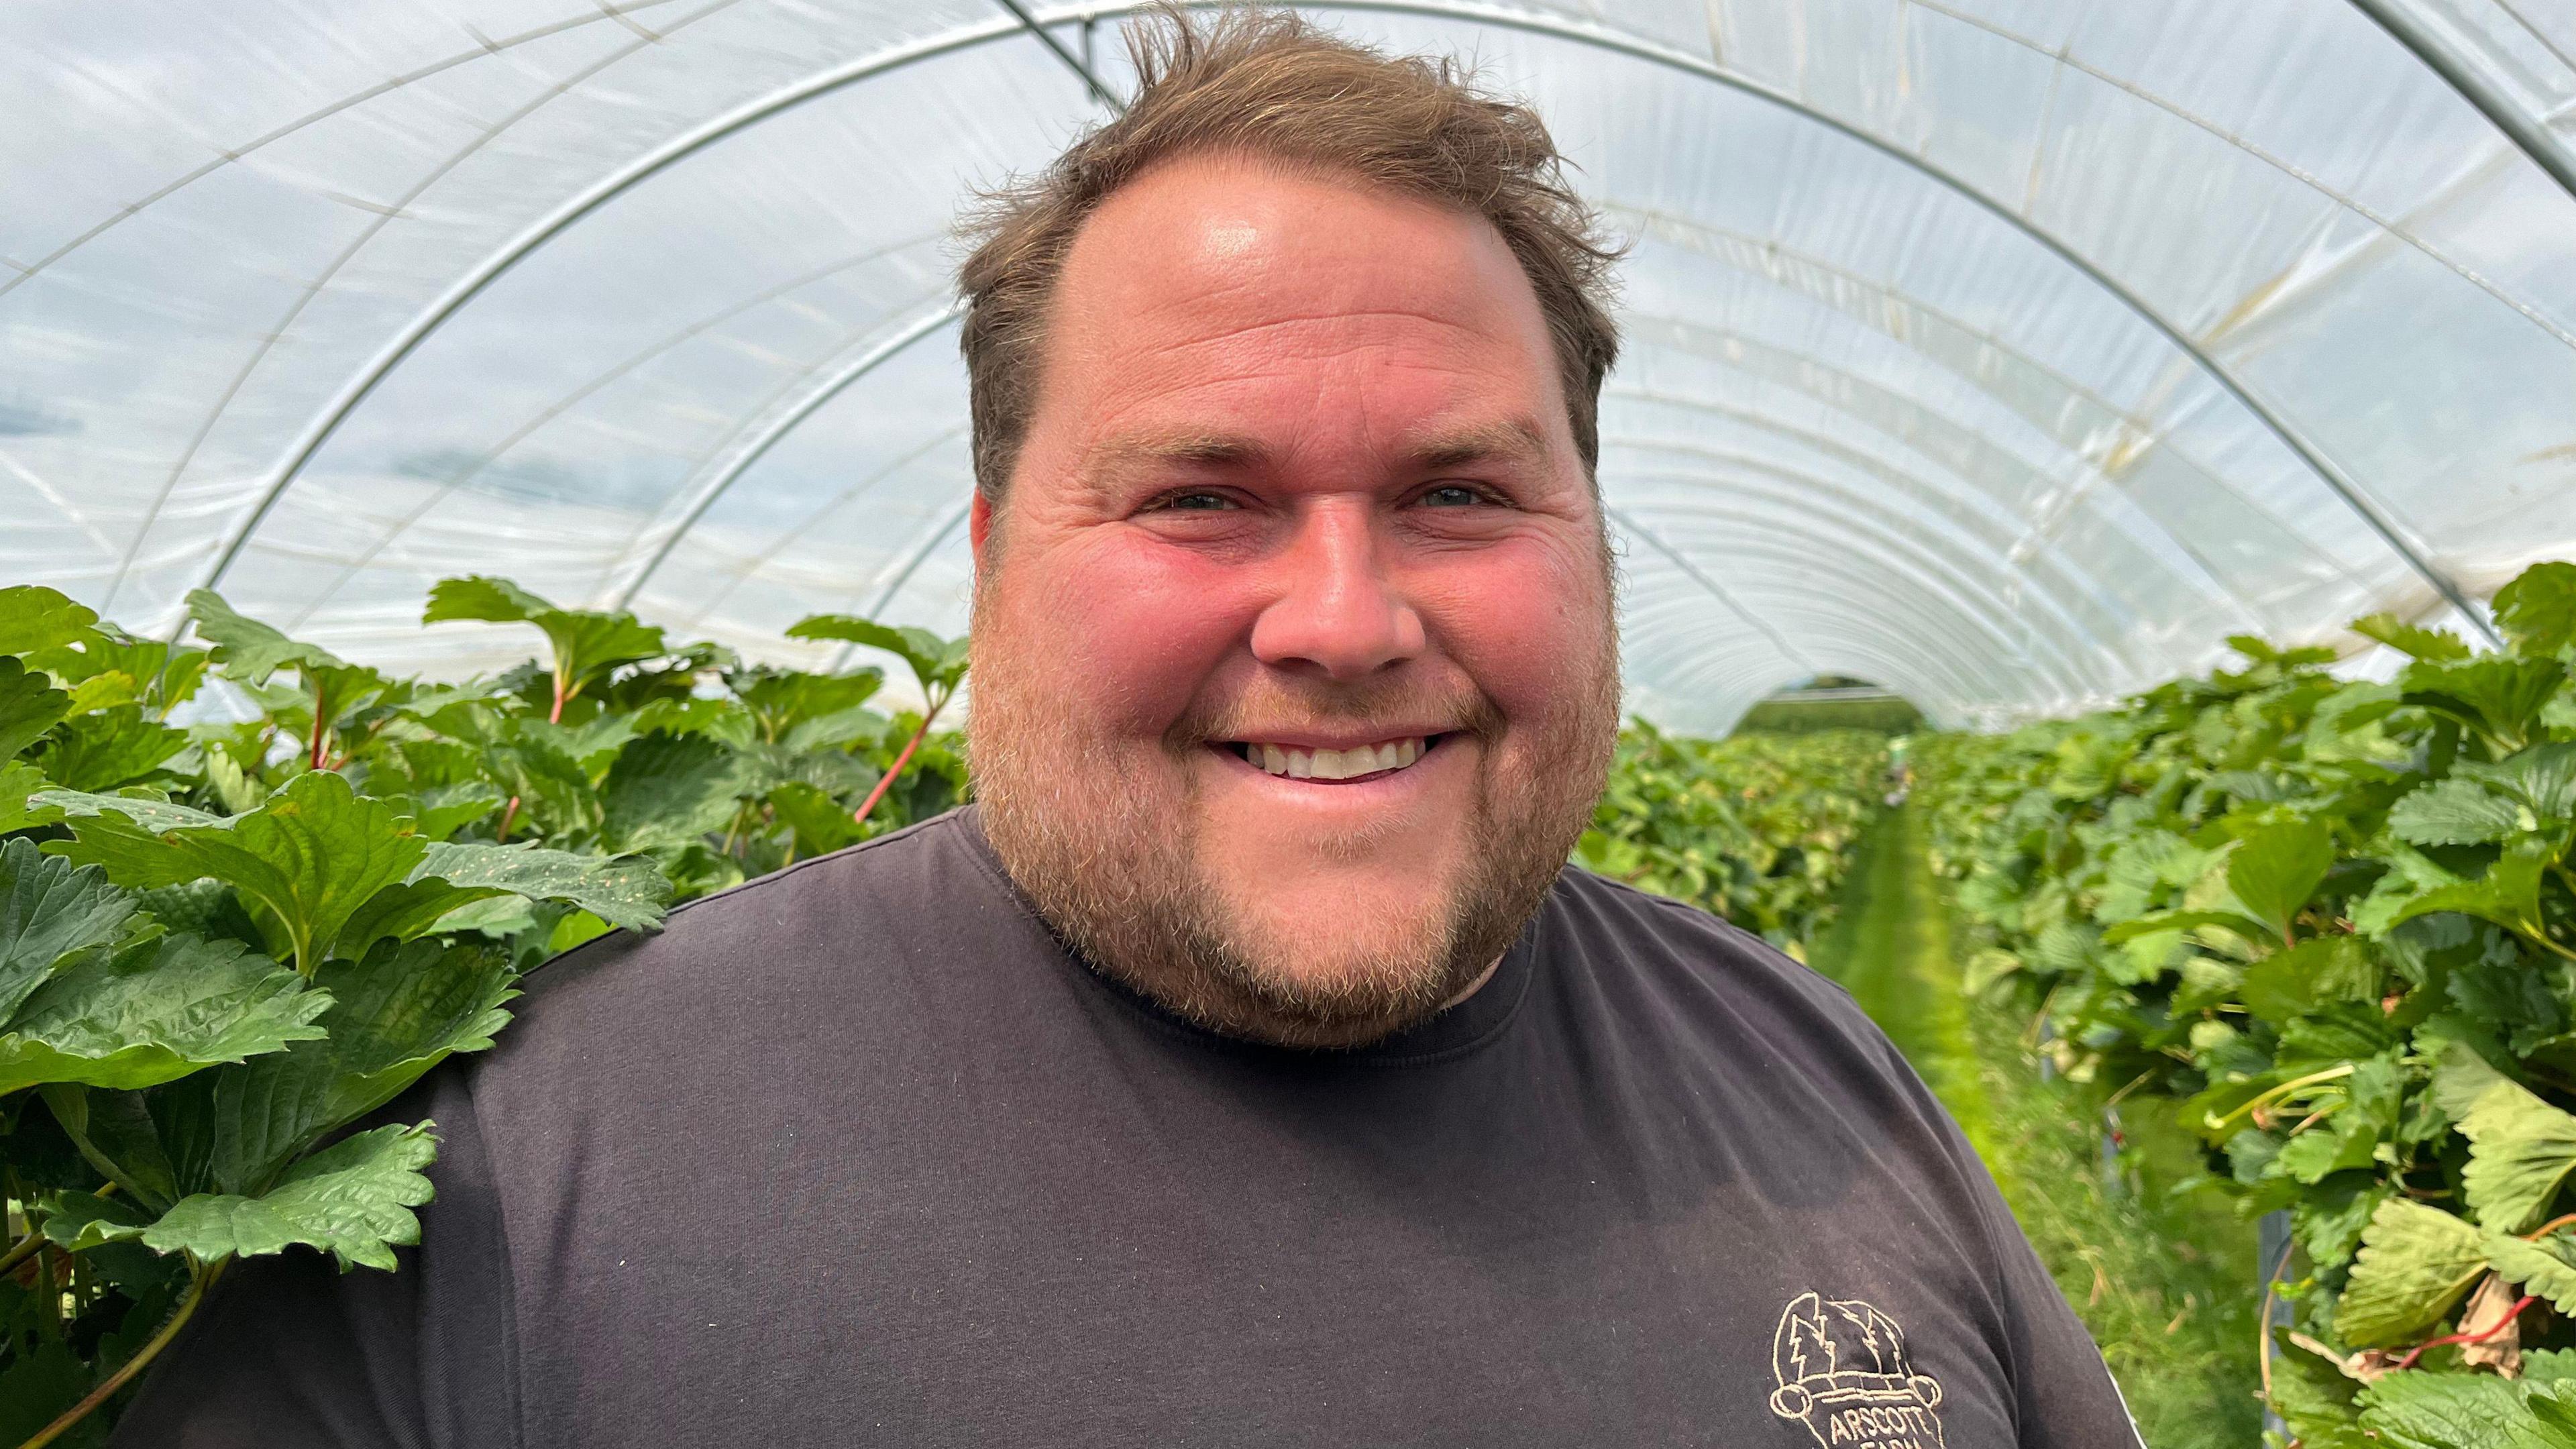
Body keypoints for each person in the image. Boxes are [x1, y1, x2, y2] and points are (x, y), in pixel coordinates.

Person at [114, 9, 2141, 1446]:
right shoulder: (511, 1191)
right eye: (1201, 499)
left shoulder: (1821, 1081)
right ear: (998, 558)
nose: (1346, 621)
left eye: (1459, 490)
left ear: (1593, 538)